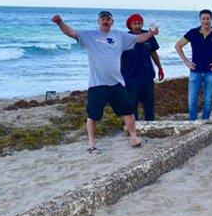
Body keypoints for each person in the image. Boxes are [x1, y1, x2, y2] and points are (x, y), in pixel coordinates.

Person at [52, 11, 157, 153]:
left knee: (129, 110)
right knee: (93, 115)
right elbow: (71, 32)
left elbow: (138, 38)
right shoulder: (89, 36)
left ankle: (134, 138)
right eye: (103, 19)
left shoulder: (120, 36)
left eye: (108, 19)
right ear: (98, 22)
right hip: (97, 84)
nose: (106, 21)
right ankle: (91, 143)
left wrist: (151, 33)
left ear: (112, 22)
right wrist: (60, 23)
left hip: (117, 83)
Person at [121, 14, 164, 121]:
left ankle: (150, 125)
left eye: (139, 23)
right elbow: (120, 59)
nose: (137, 26)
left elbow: (153, 53)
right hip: (130, 76)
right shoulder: (125, 38)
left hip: (147, 75)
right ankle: (134, 128)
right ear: (130, 25)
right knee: (132, 104)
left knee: (149, 103)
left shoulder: (148, 35)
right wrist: (118, 76)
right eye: (134, 23)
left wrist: (160, 68)